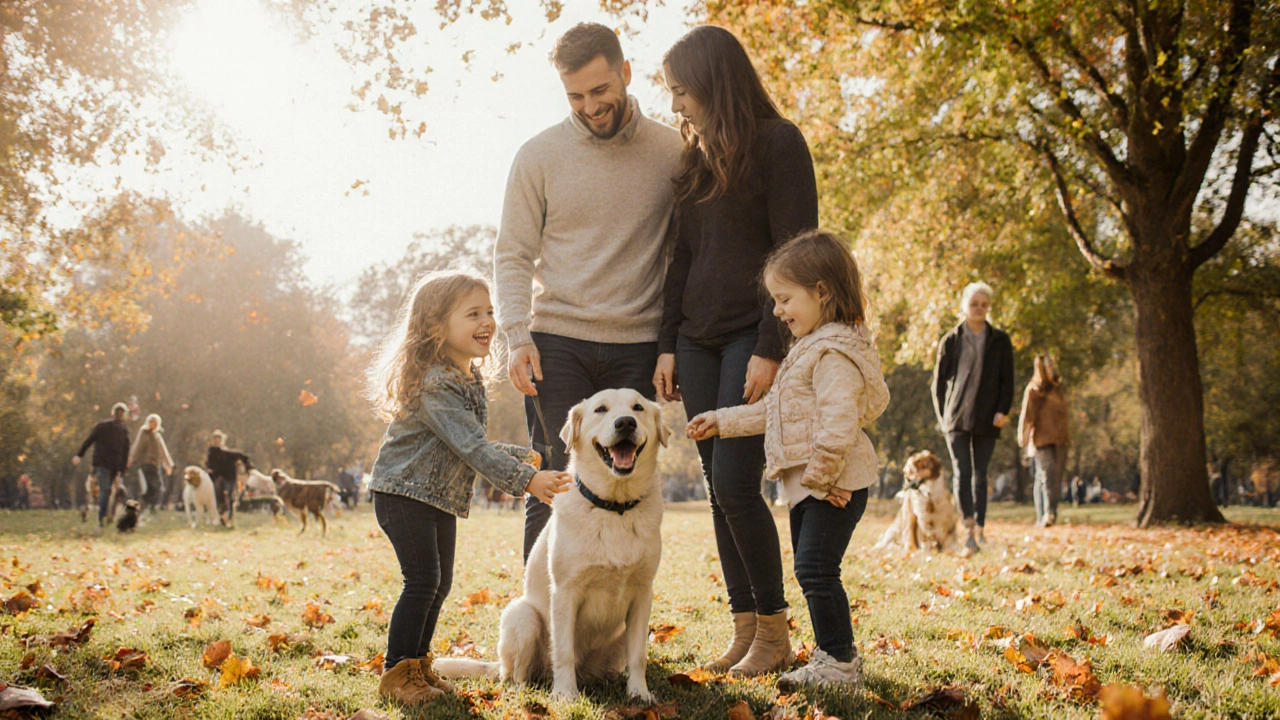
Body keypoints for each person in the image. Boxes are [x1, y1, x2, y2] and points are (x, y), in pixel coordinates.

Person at [652, 24, 819, 677]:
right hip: (695, 338)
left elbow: (796, 250)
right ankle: (745, 630)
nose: (675, 105)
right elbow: (679, 258)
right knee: (718, 492)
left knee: (734, 482)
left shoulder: (780, 145)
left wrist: (773, 344)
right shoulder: (693, 163)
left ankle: (774, 634)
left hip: (753, 337)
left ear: (714, 83)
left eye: (682, 91)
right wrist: (668, 343)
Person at [494, 22, 683, 563]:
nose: (590, 106)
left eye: (600, 90)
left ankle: (616, 632)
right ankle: (546, 628)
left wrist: (672, 343)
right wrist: (516, 335)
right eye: (575, 95)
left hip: (638, 343)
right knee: (554, 479)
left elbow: (682, 256)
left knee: (632, 485)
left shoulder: (672, 152)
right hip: (557, 342)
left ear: (625, 73)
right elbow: (512, 253)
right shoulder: (538, 155)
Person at [687, 231, 888, 690]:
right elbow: (773, 411)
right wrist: (721, 420)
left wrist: (819, 479)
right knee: (812, 570)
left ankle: (838, 663)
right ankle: (832, 658)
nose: (777, 311)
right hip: (813, 488)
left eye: (784, 298)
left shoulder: (833, 353)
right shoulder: (808, 349)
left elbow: (838, 425)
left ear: (822, 291)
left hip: (831, 487)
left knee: (816, 569)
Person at [366, 271, 570, 705]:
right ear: (435, 327)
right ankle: (396, 674)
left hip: (432, 495)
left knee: (438, 583)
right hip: (403, 494)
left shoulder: (466, 379)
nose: (488, 321)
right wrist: (527, 481)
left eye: (490, 312)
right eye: (473, 313)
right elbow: (470, 446)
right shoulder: (436, 383)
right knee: (421, 581)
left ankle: (418, 666)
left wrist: (519, 457)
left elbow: (465, 444)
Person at [931, 282, 1014, 554]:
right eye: (974, 304)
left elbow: (1007, 381)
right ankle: (967, 526)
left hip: (987, 418)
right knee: (962, 472)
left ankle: (980, 527)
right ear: (965, 306)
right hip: (955, 419)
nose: (979, 309)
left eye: (983, 305)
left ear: (988, 308)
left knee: (980, 475)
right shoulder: (951, 339)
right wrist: (943, 417)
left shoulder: (1000, 341)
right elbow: (938, 384)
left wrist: (1003, 409)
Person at [1018, 354, 1070, 527]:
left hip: (1060, 438)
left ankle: (1049, 512)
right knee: (1046, 474)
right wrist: (1023, 436)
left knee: (1055, 477)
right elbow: (1027, 415)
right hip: (1041, 439)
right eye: (1046, 365)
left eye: (1051, 364)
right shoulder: (1034, 389)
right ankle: (1047, 514)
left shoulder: (1059, 388)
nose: (1049, 368)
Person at [73, 402, 131, 526]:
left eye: (122, 413)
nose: (120, 415)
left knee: (112, 491)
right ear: (113, 413)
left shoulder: (123, 431)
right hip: (102, 464)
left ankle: (108, 516)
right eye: (118, 412)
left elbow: (126, 451)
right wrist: (79, 454)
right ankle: (102, 518)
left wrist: (123, 468)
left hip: (115, 467)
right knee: (106, 490)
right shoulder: (103, 427)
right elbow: (89, 440)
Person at [128, 413, 174, 515]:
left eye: (155, 422)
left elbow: (163, 450)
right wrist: (132, 460)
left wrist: (169, 464)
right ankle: (148, 505)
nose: (153, 424)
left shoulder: (157, 435)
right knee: (150, 485)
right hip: (146, 464)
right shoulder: (144, 433)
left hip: (155, 465)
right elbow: (138, 447)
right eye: (151, 421)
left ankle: (151, 505)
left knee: (158, 487)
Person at [206, 430, 251, 527]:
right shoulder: (211, 452)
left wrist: (248, 468)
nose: (217, 441)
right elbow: (209, 466)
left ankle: (228, 518)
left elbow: (244, 457)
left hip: (229, 478)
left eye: (219, 439)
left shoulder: (229, 453)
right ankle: (223, 516)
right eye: (215, 439)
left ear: (222, 440)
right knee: (219, 497)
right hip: (218, 478)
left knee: (229, 496)